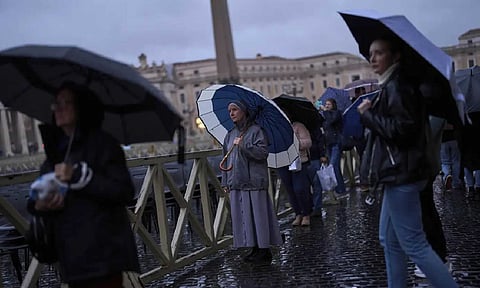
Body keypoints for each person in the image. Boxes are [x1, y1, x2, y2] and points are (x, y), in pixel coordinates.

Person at [357, 35, 458, 287]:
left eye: (379, 52)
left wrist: (369, 115)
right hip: (397, 174)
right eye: (371, 53)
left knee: (414, 244)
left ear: (396, 55)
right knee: (388, 241)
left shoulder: (399, 86)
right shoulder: (391, 85)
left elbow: (402, 131)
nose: (372, 58)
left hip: (401, 174)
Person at [27, 82, 141, 287]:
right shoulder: (55, 152)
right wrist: (39, 205)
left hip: (103, 255)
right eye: (56, 104)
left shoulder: (104, 146)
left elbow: (124, 192)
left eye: (66, 103)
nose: (58, 108)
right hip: (70, 255)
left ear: (81, 107)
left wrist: (78, 175)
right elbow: (39, 195)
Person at [221, 100, 283, 265]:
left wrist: (244, 146)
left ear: (244, 111)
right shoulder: (230, 134)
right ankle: (254, 247)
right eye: (229, 111)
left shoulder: (257, 131)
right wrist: (225, 181)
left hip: (254, 181)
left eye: (234, 109)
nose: (231, 113)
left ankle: (264, 250)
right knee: (244, 217)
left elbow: (262, 154)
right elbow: (226, 158)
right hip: (237, 181)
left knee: (258, 217)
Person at [277, 120, 313, 226]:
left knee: (299, 189)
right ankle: (298, 213)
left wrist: (294, 143)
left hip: (299, 162)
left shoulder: (298, 126)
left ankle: (306, 213)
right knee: (290, 190)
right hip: (283, 161)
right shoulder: (277, 128)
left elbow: (308, 142)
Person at [319, 98, 347, 198]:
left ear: (333, 105)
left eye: (328, 104)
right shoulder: (326, 116)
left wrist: (325, 112)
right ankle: (341, 189)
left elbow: (332, 121)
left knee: (333, 166)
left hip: (336, 143)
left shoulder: (337, 113)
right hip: (328, 144)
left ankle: (339, 191)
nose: (326, 106)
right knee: (335, 168)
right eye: (326, 104)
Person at [307, 117, 327, 216]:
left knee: (316, 184)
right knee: (309, 184)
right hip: (306, 158)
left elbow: (320, 140)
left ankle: (316, 207)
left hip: (314, 157)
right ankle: (312, 207)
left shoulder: (314, 127)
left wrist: (322, 154)